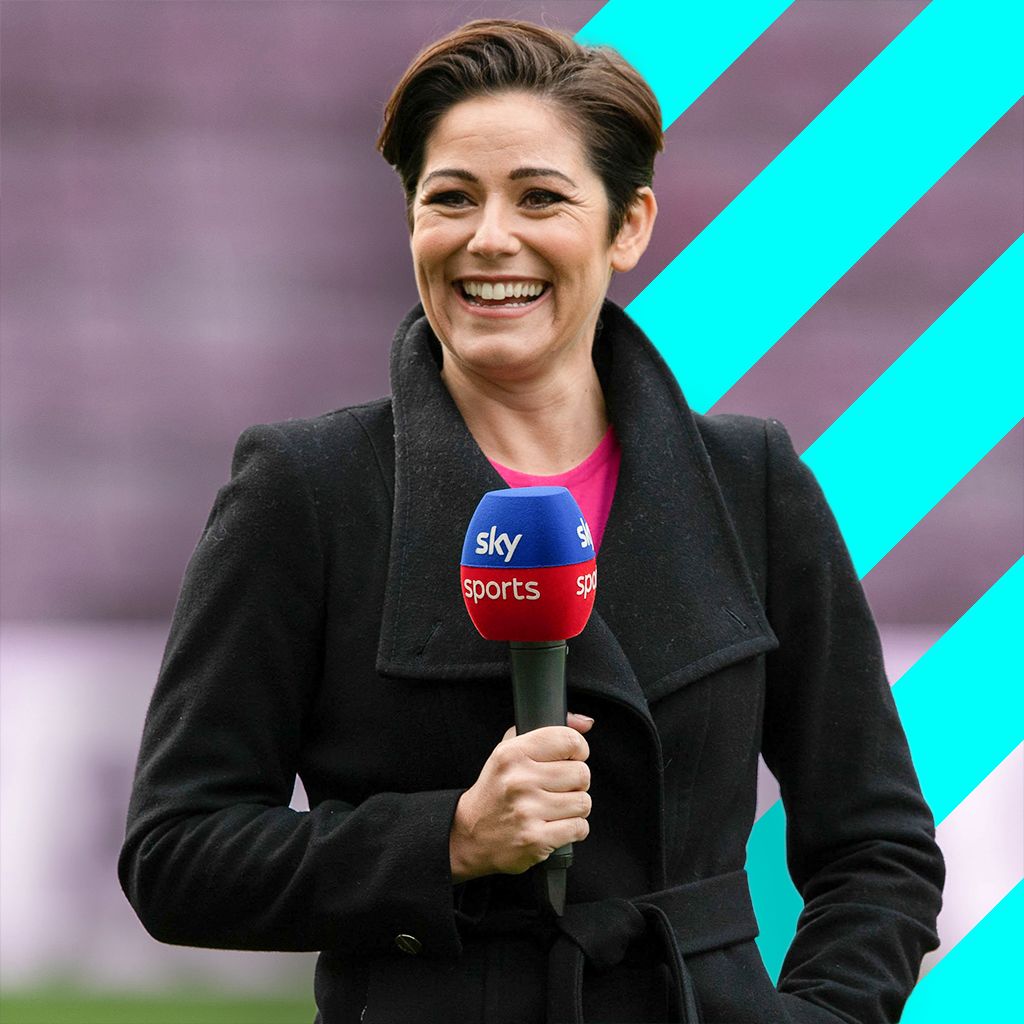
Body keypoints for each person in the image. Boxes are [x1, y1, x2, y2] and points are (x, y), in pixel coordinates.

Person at [119, 19, 944, 1024]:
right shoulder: (308, 489)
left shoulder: (751, 481)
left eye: (540, 197)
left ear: (628, 225)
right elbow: (176, 853)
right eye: (450, 199)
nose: (489, 238)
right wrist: (450, 839)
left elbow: (878, 846)